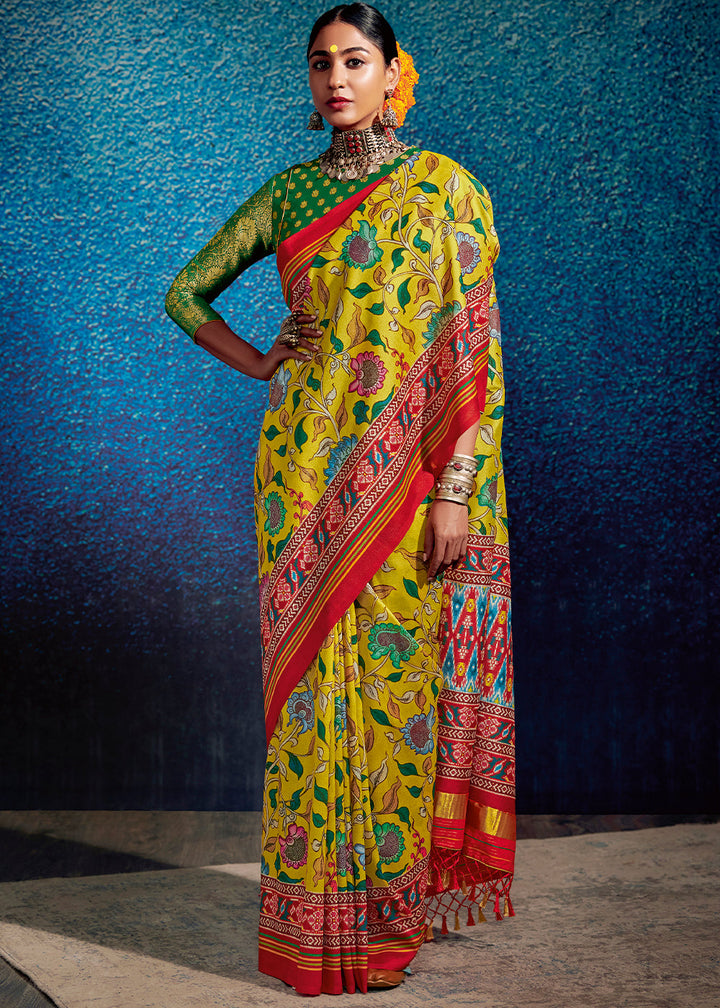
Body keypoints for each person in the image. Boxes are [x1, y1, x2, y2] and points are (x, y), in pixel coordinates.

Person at [165, 2, 515, 996]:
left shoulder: (445, 190)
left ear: (394, 71)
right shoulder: (288, 195)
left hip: (410, 480)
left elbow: (472, 351)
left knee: (397, 690)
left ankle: (387, 926)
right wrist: (258, 361)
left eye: (356, 60)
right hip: (300, 473)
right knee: (310, 700)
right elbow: (184, 293)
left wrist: (455, 493)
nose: (336, 80)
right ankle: (309, 931)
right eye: (321, 64)